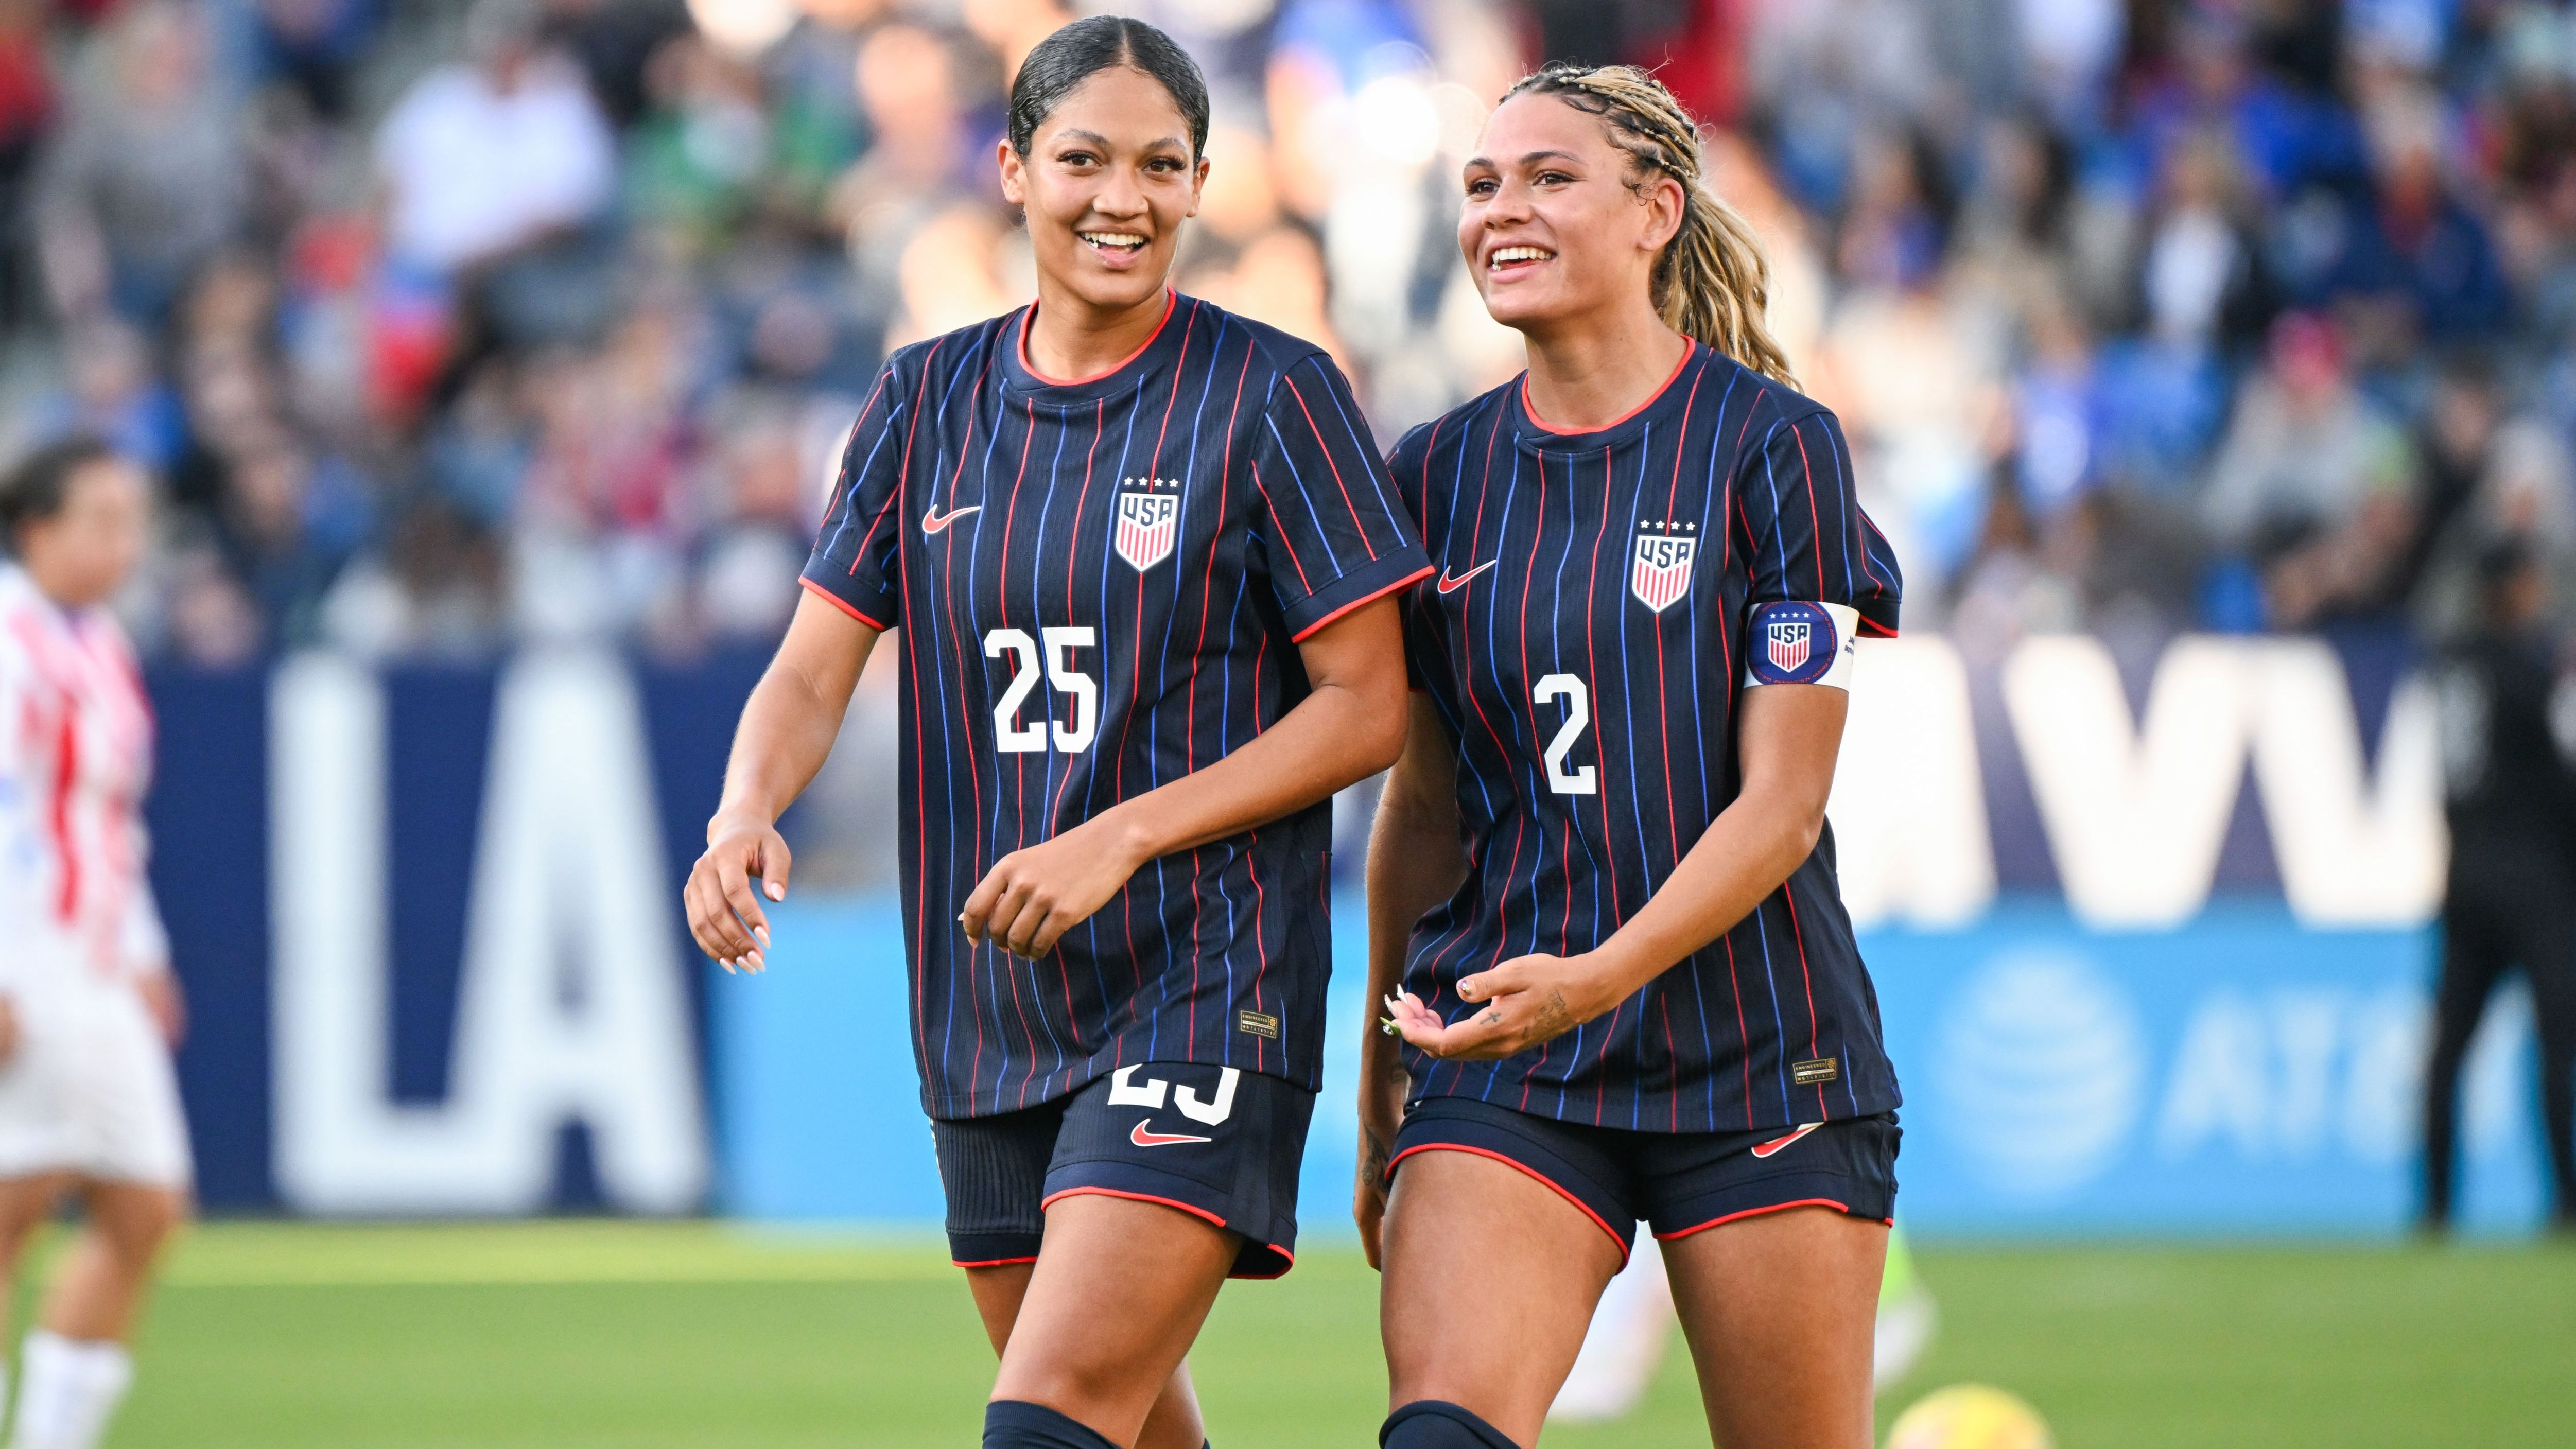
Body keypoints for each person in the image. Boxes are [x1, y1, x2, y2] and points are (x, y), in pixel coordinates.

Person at [681, 19, 1427, 1449]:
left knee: (1048, 1418)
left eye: (1160, 165)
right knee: (1132, 1431)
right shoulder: (923, 399)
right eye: (1083, 159)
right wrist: (741, 810)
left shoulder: (1273, 396)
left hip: (1204, 982)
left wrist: (1123, 834)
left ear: (1203, 182)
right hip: (989, 999)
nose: (1121, 199)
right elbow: (811, 666)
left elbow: (1367, 708)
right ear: (1015, 171)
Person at [1360, 64, 1904, 1449]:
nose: (1500, 210)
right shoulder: (1431, 473)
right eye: (1482, 185)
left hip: (1758, 1057)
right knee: (1440, 1434)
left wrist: (1597, 979)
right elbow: (1417, 806)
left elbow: (1781, 809)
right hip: (1507, 1059)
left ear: (1657, 211)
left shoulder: (1774, 450)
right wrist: (1377, 1090)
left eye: (1548, 178)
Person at [0, 438, 192, 1449]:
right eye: (102, 521)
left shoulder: (99, 643)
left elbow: (109, 817)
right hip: (28, 960)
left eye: (133, 523)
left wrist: (146, 951)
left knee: (146, 1207)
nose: (124, 545)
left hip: (98, 956)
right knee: (12, 1207)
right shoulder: (8, 641)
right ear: (38, 527)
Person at [2421, 535, 2576, 1234]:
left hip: (2465, 874)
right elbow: (2557, 775)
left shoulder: (2453, 667)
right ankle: (2565, 1201)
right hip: (2534, 879)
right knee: (2556, 1044)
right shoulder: (2526, 669)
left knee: (2449, 1050)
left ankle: (2437, 1207)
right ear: (2510, 588)